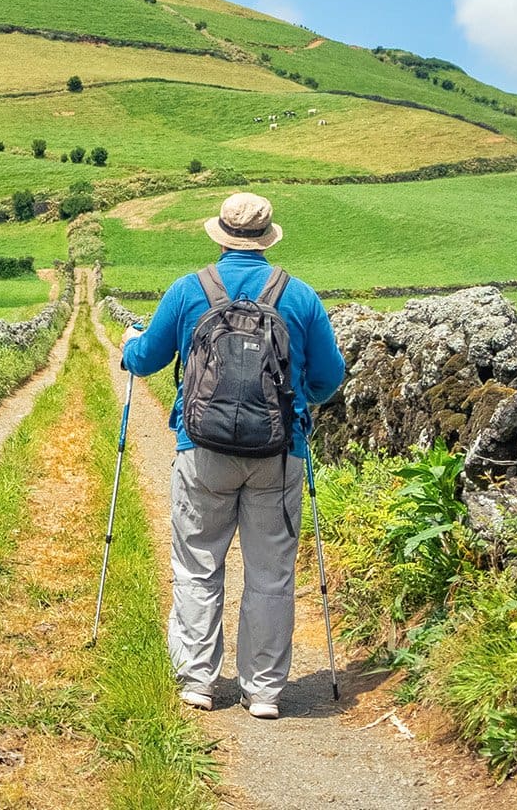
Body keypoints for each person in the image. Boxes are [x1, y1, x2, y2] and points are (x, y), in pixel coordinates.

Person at [120, 191, 345, 719]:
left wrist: (130, 343)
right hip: (279, 453)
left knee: (198, 565)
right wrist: (299, 403)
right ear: (266, 239)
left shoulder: (188, 290)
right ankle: (263, 690)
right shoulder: (299, 296)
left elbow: (146, 359)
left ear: (220, 235)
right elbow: (329, 376)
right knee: (271, 573)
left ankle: (198, 680)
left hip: (201, 450)